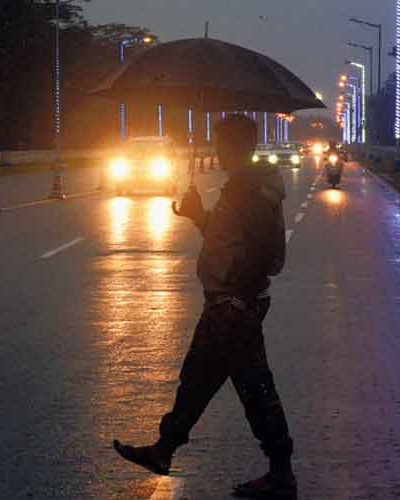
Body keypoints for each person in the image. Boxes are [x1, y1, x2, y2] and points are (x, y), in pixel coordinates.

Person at [113, 115, 297, 500]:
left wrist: (238, 300)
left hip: (233, 307)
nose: (218, 148)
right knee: (199, 380)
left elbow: (260, 252)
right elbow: (229, 240)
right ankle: (164, 449)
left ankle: (281, 474)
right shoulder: (242, 186)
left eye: (222, 142)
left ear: (238, 146)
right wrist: (198, 216)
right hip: (227, 303)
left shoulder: (248, 189)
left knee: (255, 390)